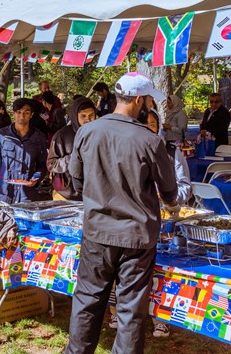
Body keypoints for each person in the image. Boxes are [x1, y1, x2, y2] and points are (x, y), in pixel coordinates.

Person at [65, 73, 178, 354]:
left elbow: (76, 180)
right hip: (136, 237)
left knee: (88, 300)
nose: (149, 103)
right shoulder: (149, 140)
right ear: (139, 99)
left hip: (97, 232)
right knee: (130, 309)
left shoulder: (87, 131)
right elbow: (170, 192)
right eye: (149, 99)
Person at [107, 107, 191, 337]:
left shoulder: (171, 152)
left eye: (153, 125)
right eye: (144, 125)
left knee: (161, 273)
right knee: (125, 271)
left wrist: (169, 199)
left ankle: (161, 317)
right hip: (133, 223)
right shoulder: (123, 150)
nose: (148, 130)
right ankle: (118, 312)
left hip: (166, 221)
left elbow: (184, 185)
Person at [0, 98, 50, 205]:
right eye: (19, 112)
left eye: (26, 113)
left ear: (31, 114)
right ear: (14, 113)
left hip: (27, 194)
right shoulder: (2, 135)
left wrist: (36, 177)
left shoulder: (39, 137)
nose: (22, 116)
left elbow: (43, 164)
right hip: (4, 192)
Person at [47, 97, 96, 201]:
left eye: (91, 115)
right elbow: (51, 164)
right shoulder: (62, 136)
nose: (88, 119)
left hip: (92, 195)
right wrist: (73, 158)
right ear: (75, 116)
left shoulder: (99, 134)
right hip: (65, 195)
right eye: (83, 116)